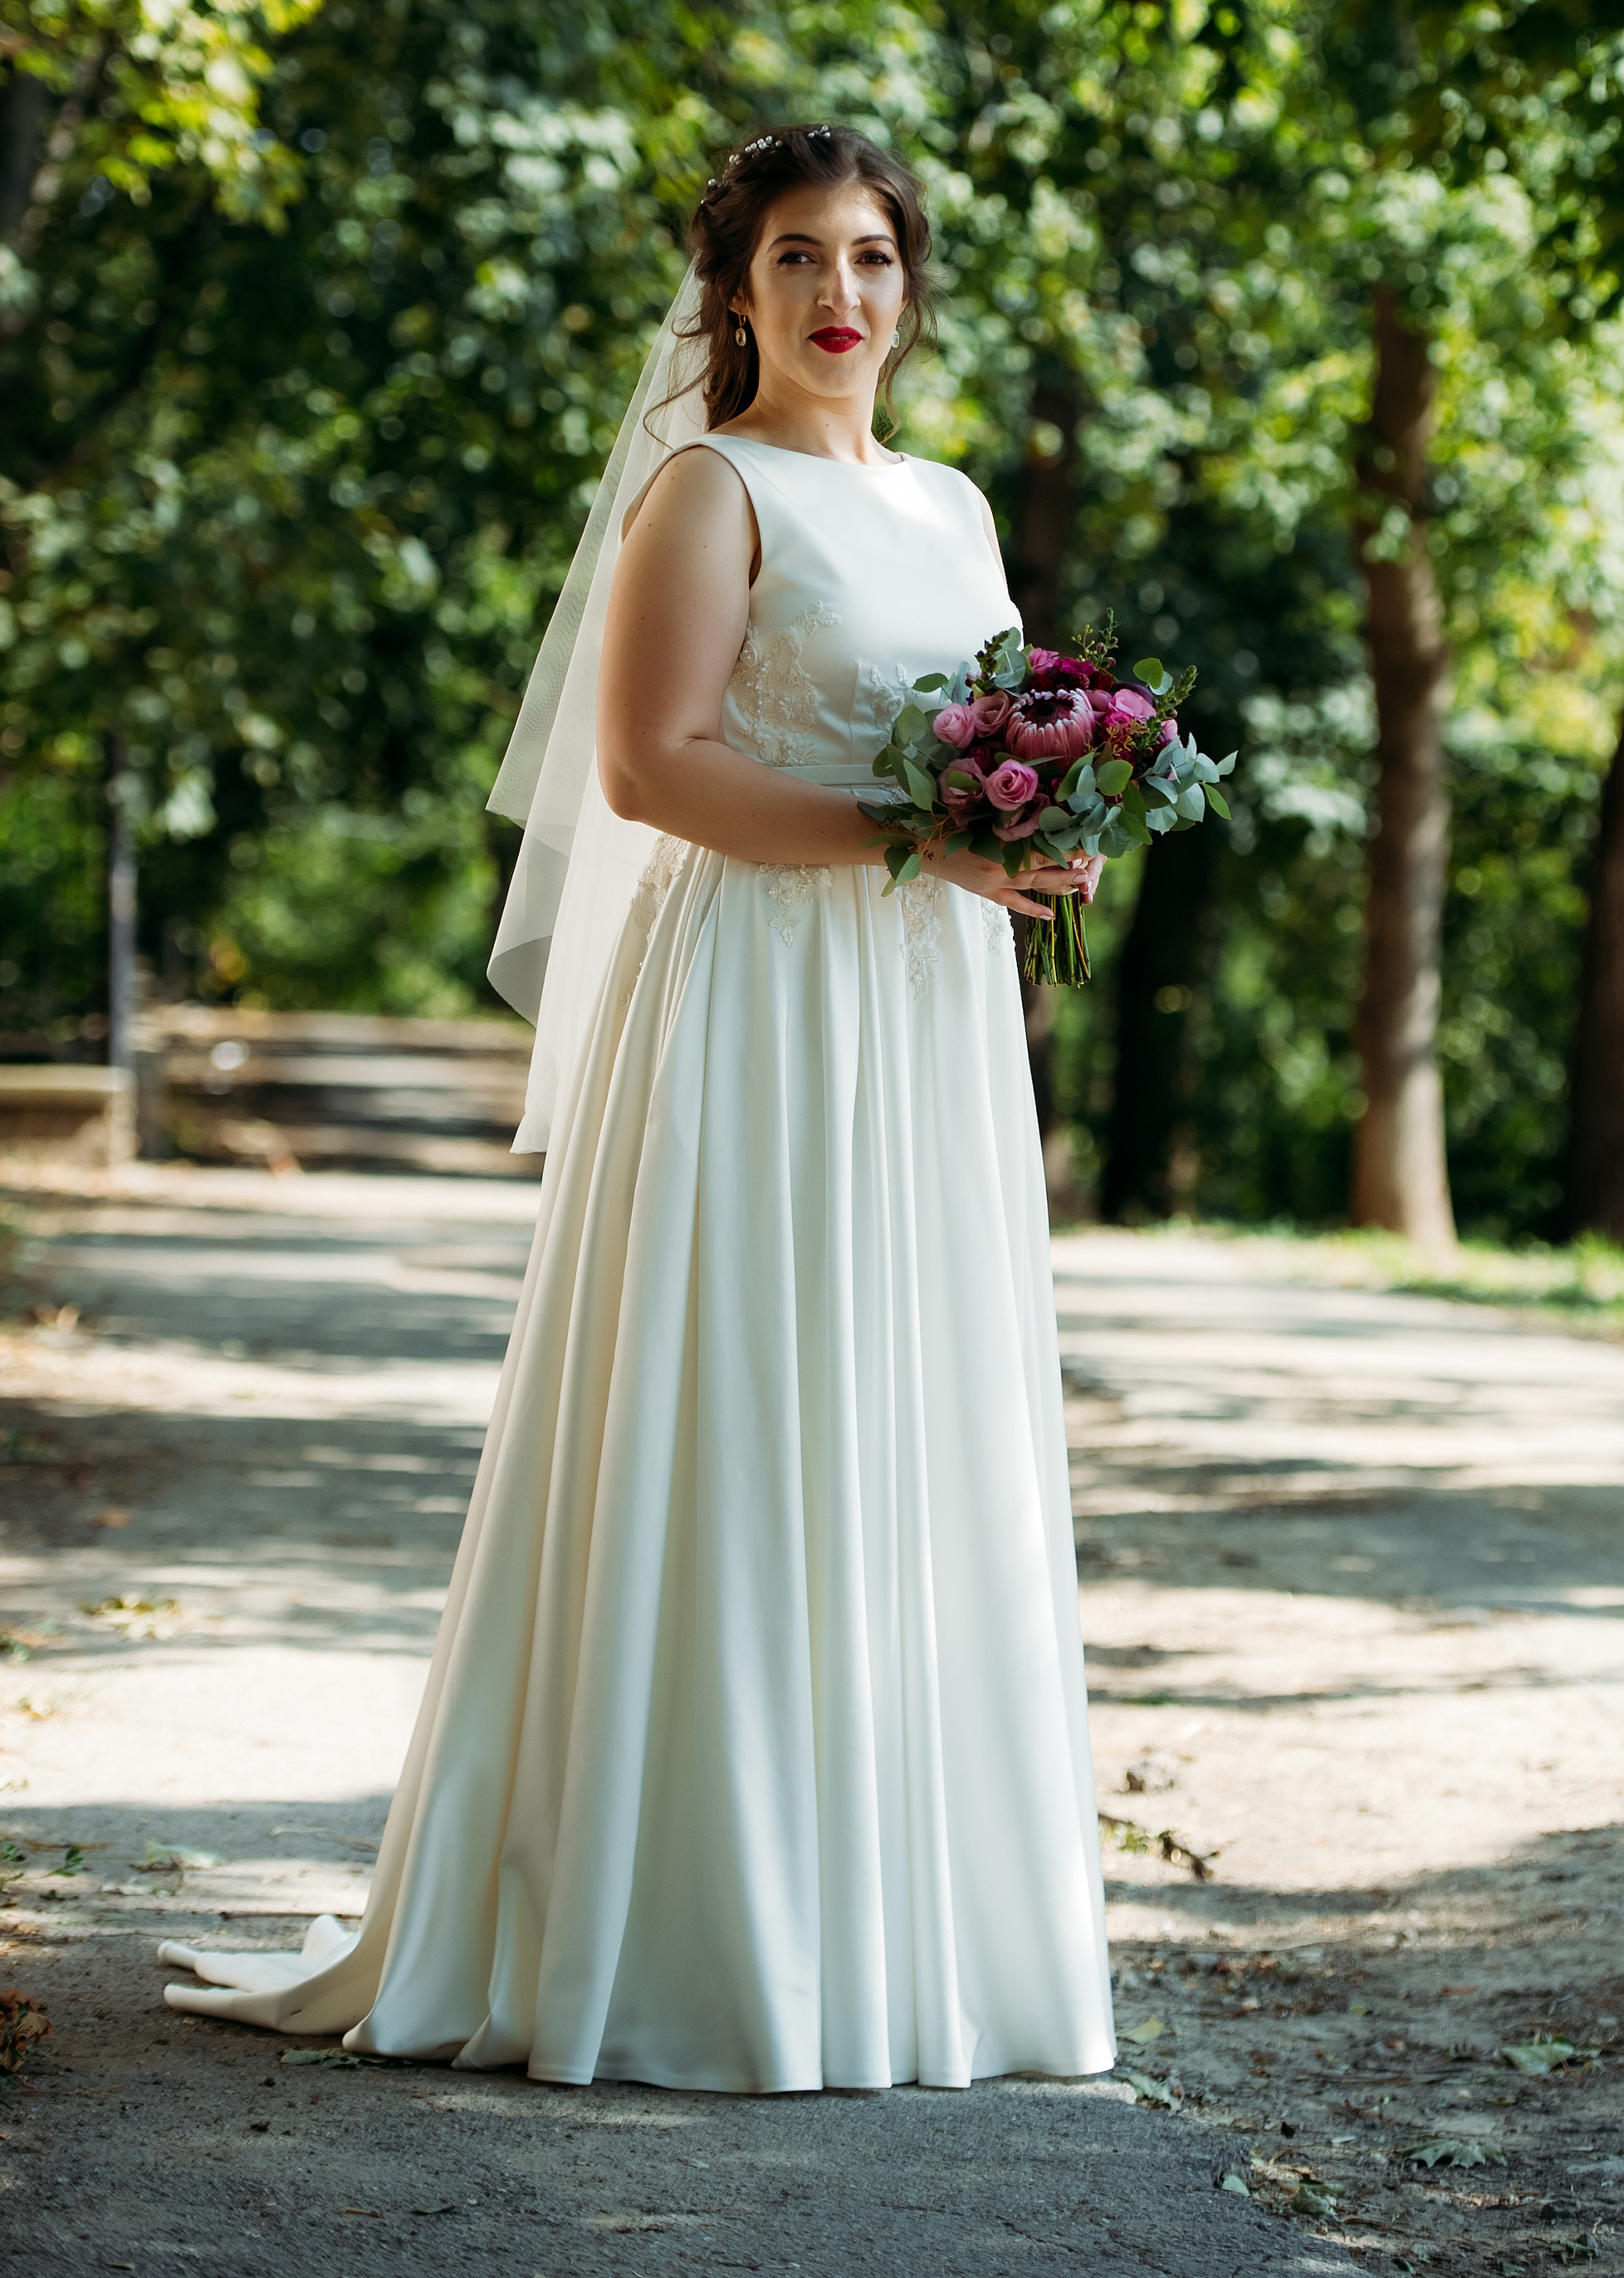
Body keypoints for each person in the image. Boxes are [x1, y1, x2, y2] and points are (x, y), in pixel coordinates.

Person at [160, 123, 1115, 2093]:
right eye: (794, 259)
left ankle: (914, 1943)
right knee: (747, 1406)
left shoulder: (946, 503)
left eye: (869, 257)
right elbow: (655, 770)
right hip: (759, 1001)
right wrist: (919, 839)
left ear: (906, 285)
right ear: (734, 293)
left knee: (904, 1414)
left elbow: (983, 735)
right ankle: (690, 1933)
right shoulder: (706, 489)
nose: (838, 294)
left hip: (923, 1015)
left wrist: (1041, 828)